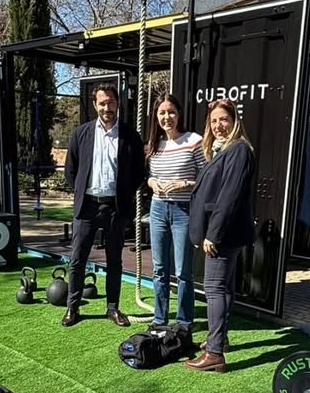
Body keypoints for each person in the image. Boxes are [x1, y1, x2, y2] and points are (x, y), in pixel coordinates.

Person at [62, 83, 145, 327]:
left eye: (110, 102)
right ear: (95, 105)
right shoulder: (81, 133)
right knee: (77, 259)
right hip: (86, 207)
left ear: (118, 104)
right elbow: (71, 170)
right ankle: (72, 308)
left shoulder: (131, 136)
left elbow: (139, 173)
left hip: (115, 209)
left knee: (114, 261)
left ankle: (112, 308)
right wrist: (80, 192)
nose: (106, 107)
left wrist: (124, 196)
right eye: (102, 103)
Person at [184, 98, 256, 372]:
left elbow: (229, 196)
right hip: (225, 233)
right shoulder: (224, 150)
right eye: (213, 121)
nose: (218, 126)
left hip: (223, 234)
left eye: (223, 119)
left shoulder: (238, 150)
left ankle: (214, 354)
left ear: (234, 120)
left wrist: (212, 234)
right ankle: (219, 339)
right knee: (223, 288)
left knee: (214, 290)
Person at [146, 93, 205, 329]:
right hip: (158, 208)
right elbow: (149, 176)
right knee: (159, 269)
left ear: (179, 114)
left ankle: (183, 321)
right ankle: (160, 319)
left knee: (183, 272)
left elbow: (206, 176)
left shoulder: (194, 140)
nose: (166, 117)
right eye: (161, 112)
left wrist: (185, 184)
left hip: (183, 210)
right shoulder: (154, 144)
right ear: (156, 116)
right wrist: (152, 183)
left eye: (171, 111)